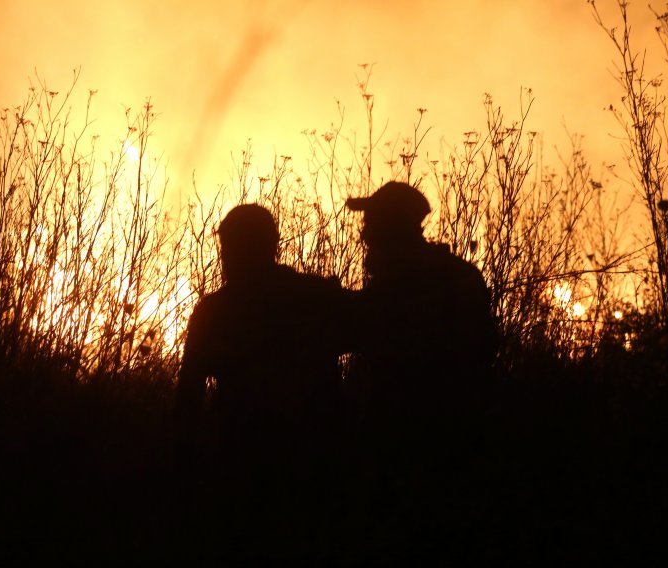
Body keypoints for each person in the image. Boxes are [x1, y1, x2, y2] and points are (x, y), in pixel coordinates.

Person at [173, 204, 351, 562]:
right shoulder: (316, 296)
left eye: (229, 249)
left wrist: (184, 468)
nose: (225, 259)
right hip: (312, 469)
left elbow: (187, 397)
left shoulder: (216, 310)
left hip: (249, 468)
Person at [345, 181, 496, 561]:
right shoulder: (460, 276)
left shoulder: (396, 289)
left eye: (372, 221)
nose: (364, 232)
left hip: (408, 450)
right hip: (459, 444)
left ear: (390, 227)